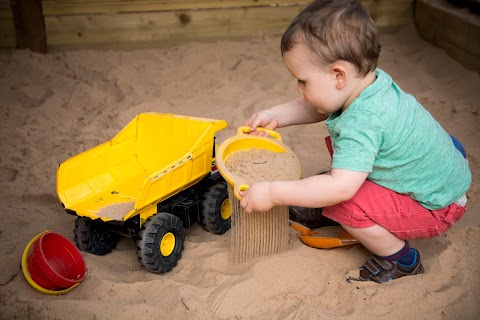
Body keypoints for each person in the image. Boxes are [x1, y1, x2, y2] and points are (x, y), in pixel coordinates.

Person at [239, 0, 471, 283]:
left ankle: (401, 261)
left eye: (302, 81)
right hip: (444, 174)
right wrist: (275, 114)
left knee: (345, 202)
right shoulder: (366, 84)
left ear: (338, 75)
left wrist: (273, 193)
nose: (298, 88)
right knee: (348, 172)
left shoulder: (363, 121)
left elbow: (341, 188)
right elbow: (319, 105)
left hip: (436, 206)